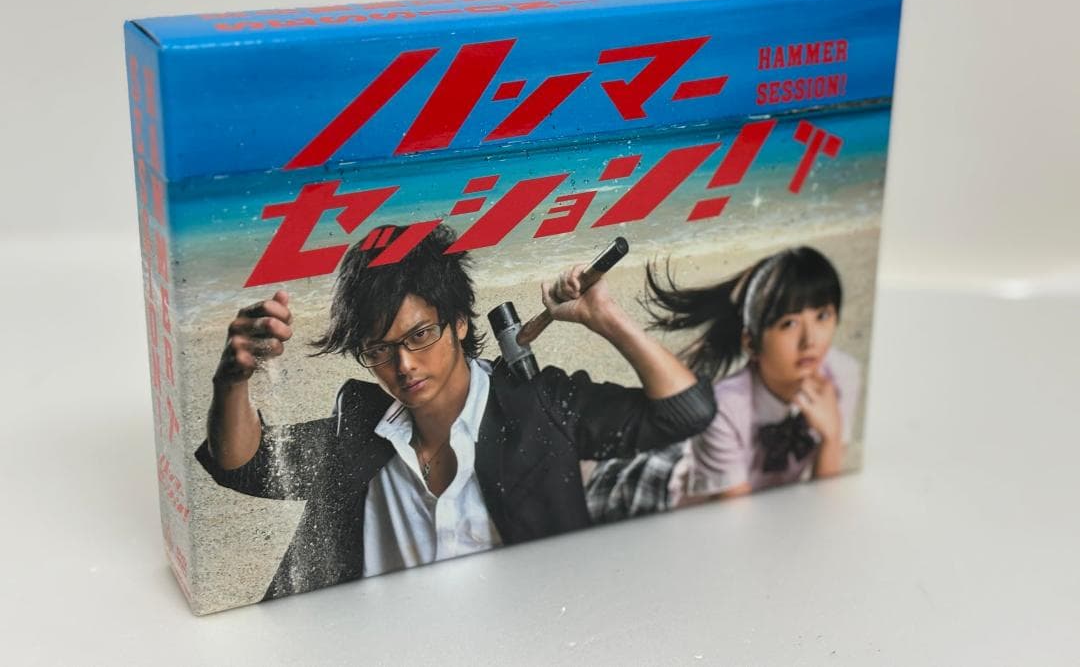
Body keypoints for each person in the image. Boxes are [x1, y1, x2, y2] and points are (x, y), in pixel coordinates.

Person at [195, 224, 715, 600]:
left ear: (460, 322)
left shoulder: (538, 406)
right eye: (380, 349)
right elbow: (244, 464)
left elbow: (685, 413)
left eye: (421, 334)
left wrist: (606, 317)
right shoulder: (358, 430)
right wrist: (233, 378)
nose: (404, 364)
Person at [585, 246, 860, 522]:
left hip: (723, 480)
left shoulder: (843, 373)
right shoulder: (726, 406)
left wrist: (832, 435)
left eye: (822, 316)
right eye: (789, 324)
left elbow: (826, 505)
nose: (810, 341)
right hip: (667, 498)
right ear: (751, 343)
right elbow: (738, 525)